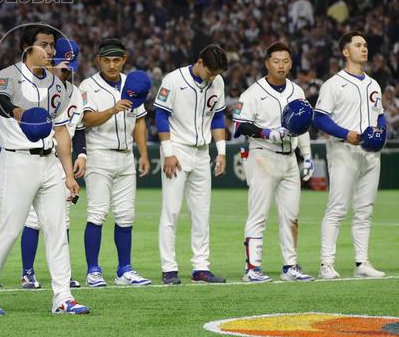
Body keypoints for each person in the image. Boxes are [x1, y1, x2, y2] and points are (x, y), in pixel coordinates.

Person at [0, 25, 89, 316]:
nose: (50, 51)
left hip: (49, 163)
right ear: (28, 48)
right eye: (44, 45)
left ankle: (63, 297)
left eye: (52, 46)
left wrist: (68, 175)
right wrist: (17, 112)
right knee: (10, 230)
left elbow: (62, 131)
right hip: (17, 160)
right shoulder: (7, 75)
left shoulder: (57, 85)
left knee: (57, 229)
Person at [233, 41, 315, 282]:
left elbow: (303, 126)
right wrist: (266, 132)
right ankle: (252, 268)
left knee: (291, 215)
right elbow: (239, 125)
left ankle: (290, 266)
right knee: (258, 214)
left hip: (289, 158)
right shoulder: (253, 92)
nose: (281, 65)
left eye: (285, 61)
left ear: (291, 63)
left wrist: (307, 155)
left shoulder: (297, 91)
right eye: (276, 61)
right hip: (262, 155)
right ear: (267, 63)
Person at [78, 38, 152, 288]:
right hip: (99, 154)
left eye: (116, 60)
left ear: (124, 60)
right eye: (107, 60)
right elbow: (86, 119)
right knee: (97, 213)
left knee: (126, 215)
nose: (112, 65)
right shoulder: (89, 86)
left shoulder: (132, 84)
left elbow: (140, 120)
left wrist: (143, 153)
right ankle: (93, 270)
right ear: (99, 60)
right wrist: (112, 109)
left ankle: (124, 270)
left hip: (125, 155)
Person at [315, 31, 387, 279]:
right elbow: (319, 117)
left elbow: (380, 115)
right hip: (343, 149)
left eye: (365, 45)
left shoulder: (373, 84)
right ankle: (326, 263)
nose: (364, 49)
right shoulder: (333, 84)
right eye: (358, 45)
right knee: (337, 208)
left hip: (370, 154)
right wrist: (346, 133)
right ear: (346, 51)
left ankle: (362, 263)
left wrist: (382, 132)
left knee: (365, 209)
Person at [155, 43, 228, 285]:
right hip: (178, 150)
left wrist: (222, 152)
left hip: (202, 153)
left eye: (217, 73)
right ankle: (169, 268)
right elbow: (161, 115)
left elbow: (218, 117)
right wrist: (168, 152)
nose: (214, 76)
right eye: (211, 71)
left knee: (201, 213)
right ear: (200, 62)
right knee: (171, 211)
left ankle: (201, 267)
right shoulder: (173, 80)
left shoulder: (217, 83)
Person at [18, 37, 85, 291]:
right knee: (34, 219)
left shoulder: (74, 92)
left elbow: (76, 128)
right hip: (36, 156)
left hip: (62, 161)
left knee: (63, 219)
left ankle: (63, 274)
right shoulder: (34, 87)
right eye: (62, 64)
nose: (66, 70)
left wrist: (81, 156)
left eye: (70, 66)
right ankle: (27, 272)